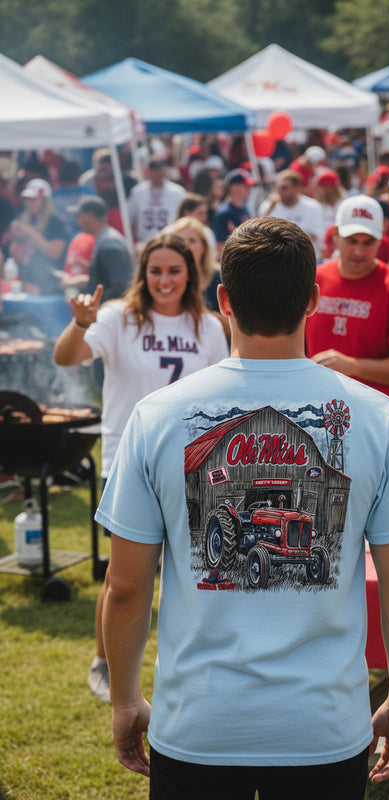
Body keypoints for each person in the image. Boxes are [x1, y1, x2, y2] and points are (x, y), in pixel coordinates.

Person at [97, 215, 389, 797]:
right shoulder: (377, 416)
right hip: (324, 727)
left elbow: (126, 588)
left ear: (222, 300)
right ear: (313, 300)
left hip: (198, 724)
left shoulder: (157, 415)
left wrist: (125, 699)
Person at [54, 231, 229, 703]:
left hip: (193, 464)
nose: (165, 280)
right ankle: (104, 660)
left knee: (197, 568)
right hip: (127, 459)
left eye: (174, 270)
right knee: (125, 576)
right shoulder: (116, 318)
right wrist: (78, 325)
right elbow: (66, 357)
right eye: (156, 271)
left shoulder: (209, 327)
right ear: (142, 273)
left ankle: (192, 662)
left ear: (190, 273)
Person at [305, 195, 389, 414]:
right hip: (315, 414)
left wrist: (354, 366)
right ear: (335, 236)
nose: (359, 251)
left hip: (374, 419)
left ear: (381, 239)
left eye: (368, 242)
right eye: (352, 241)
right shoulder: (314, 279)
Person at [170, 216, 228, 337]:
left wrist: (211, 318)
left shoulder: (221, 279)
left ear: (204, 246)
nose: (186, 246)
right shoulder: (166, 282)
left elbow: (239, 329)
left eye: (191, 241)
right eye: (180, 241)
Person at [8, 178, 67, 295]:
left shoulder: (55, 222)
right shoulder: (25, 219)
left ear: (45, 200)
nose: (30, 203)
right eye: (28, 199)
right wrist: (15, 239)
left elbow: (54, 253)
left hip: (49, 284)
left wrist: (31, 232)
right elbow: (17, 257)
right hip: (26, 281)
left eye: (34, 199)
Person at [73, 196, 134, 304]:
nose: (77, 220)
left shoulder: (110, 244)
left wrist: (96, 305)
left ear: (89, 216)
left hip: (111, 313)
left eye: (79, 216)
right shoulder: (105, 239)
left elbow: (119, 287)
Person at [259, 169, 324, 261]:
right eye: (277, 188)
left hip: (305, 260)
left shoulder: (313, 207)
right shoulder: (267, 207)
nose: (280, 192)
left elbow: (314, 236)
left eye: (284, 188)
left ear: (296, 188)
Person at [128, 155, 186, 247]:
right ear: (148, 171)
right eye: (155, 169)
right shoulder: (138, 192)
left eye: (161, 169)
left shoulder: (178, 192)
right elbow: (131, 220)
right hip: (145, 243)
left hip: (171, 243)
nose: (159, 173)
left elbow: (184, 219)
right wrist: (134, 242)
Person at [211, 168, 257, 258]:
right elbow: (220, 247)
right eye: (246, 186)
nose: (249, 190)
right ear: (233, 187)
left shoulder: (245, 208)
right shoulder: (223, 212)